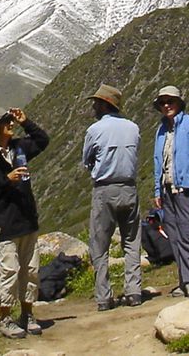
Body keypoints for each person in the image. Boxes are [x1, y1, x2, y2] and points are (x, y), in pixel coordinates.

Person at [0, 106, 50, 339]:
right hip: (4, 224)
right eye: (6, 121)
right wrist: (7, 180)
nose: (10, 124)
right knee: (9, 271)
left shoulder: (19, 148)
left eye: (10, 120)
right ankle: (4, 319)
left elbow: (42, 140)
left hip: (27, 220)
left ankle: (27, 314)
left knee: (30, 270)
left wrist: (27, 122)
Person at [81, 84, 144, 311]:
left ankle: (104, 298)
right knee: (131, 241)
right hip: (129, 188)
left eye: (96, 102)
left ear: (104, 104)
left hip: (104, 189)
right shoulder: (133, 127)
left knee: (99, 244)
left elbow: (86, 160)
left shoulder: (94, 130)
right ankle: (134, 291)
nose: (93, 106)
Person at [151, 85, 189, 298]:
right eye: (163, 102)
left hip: (187, 188)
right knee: (174, 236)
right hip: (167, 190)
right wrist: (157, 190)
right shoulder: (161, 130)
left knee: (188, 233)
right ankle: (184, 280)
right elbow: (158, 161)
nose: (167, 106)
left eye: (170, 101)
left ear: (178, 103)